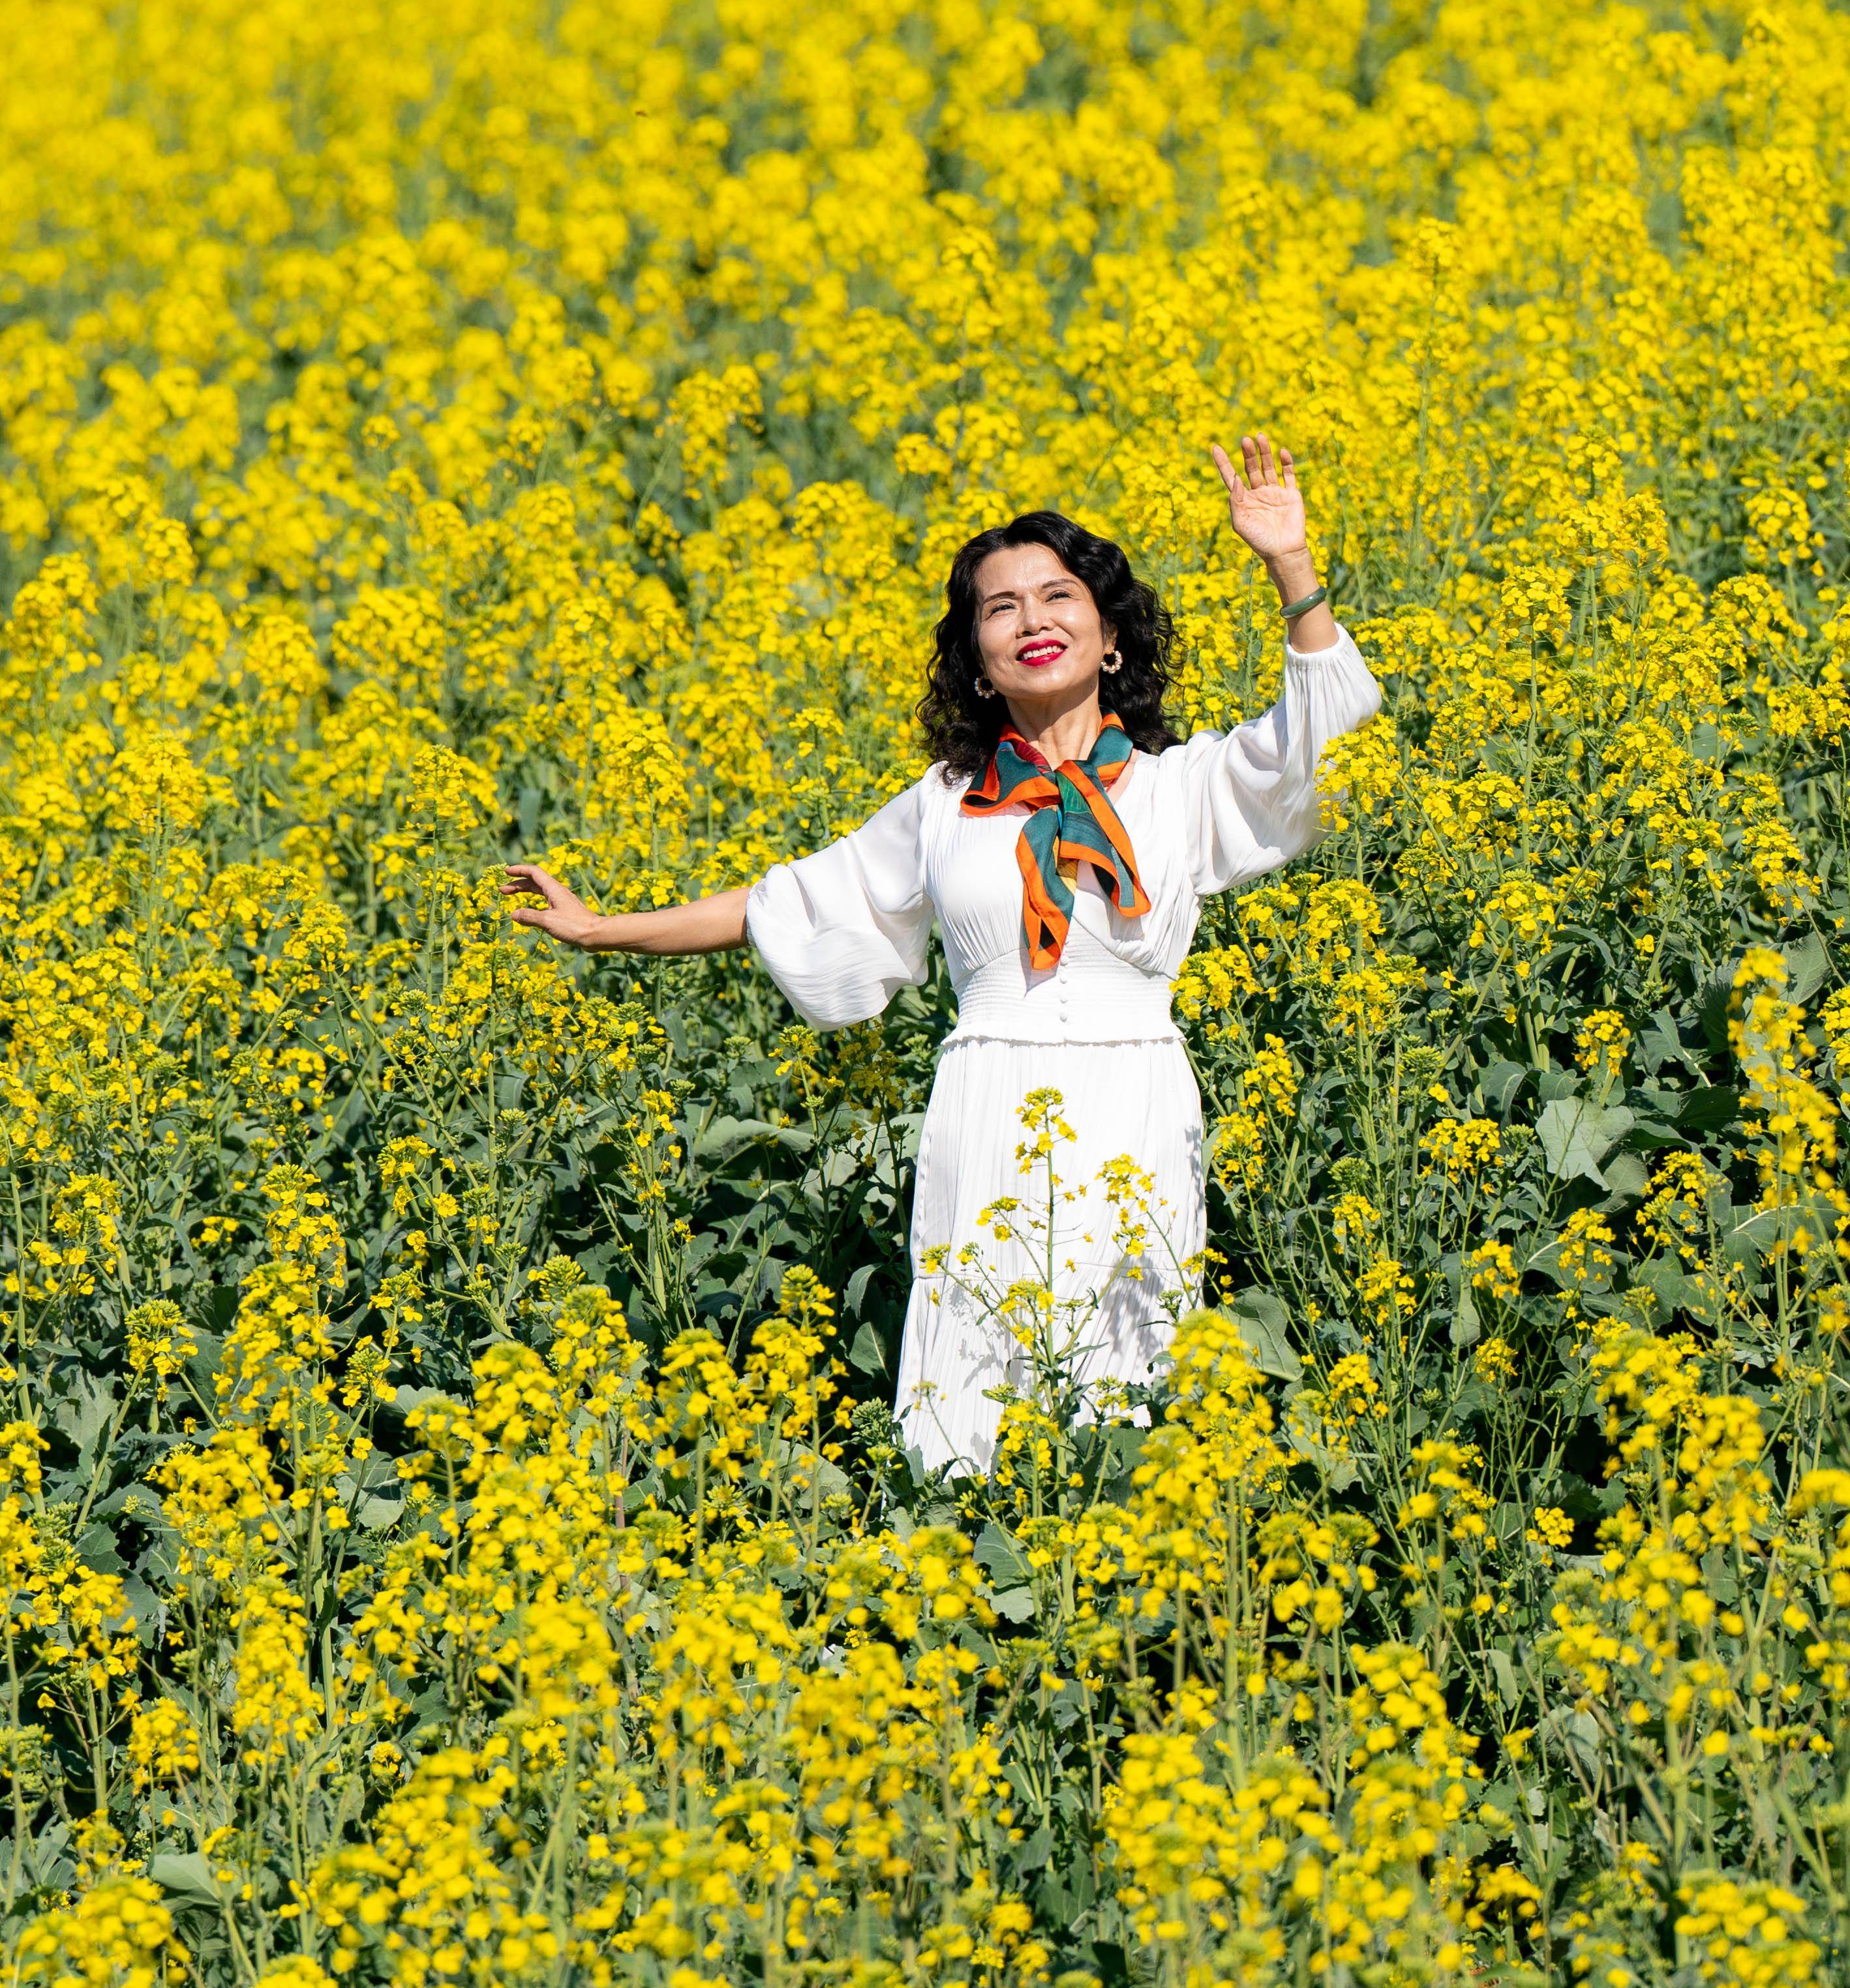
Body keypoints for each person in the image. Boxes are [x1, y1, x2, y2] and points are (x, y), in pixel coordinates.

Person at [505, 436, 1384, 1473]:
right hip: (988, 1100)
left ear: (1109, 639)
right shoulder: (941, 806)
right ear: (977, 659)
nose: (1031, 621)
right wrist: (605, 929)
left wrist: (1290, 566)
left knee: (1132, 1357)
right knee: (970, 1359)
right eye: (1000, 608)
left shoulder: (1180, 786)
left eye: (1058, 597)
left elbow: (1327, 747)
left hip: (1137, 1097)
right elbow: (791, 902)